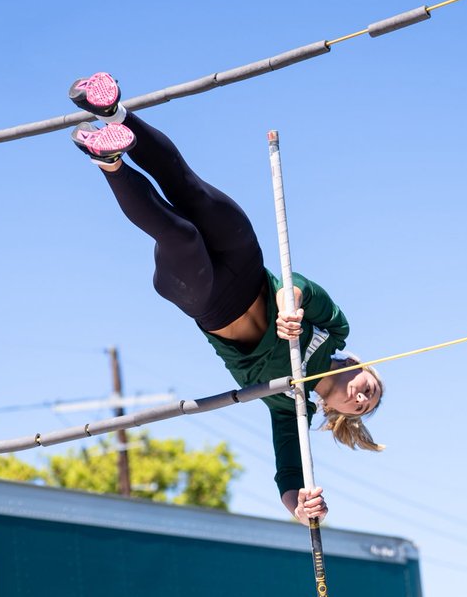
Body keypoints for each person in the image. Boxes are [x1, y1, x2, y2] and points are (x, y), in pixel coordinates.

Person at [66, 72, 384, 523]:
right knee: (188, 188)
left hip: (210, 299)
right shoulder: (336, 333)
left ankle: (111, 160)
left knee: (180, 235)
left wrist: (300, 509)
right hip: (246, 264)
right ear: (362, 366)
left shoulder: (289, 407)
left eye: (363, 409)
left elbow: (287, 477)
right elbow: (305, 289)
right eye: (373, 390)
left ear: (332, 412)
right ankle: (114, 113)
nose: (365, 399)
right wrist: (288, 305)